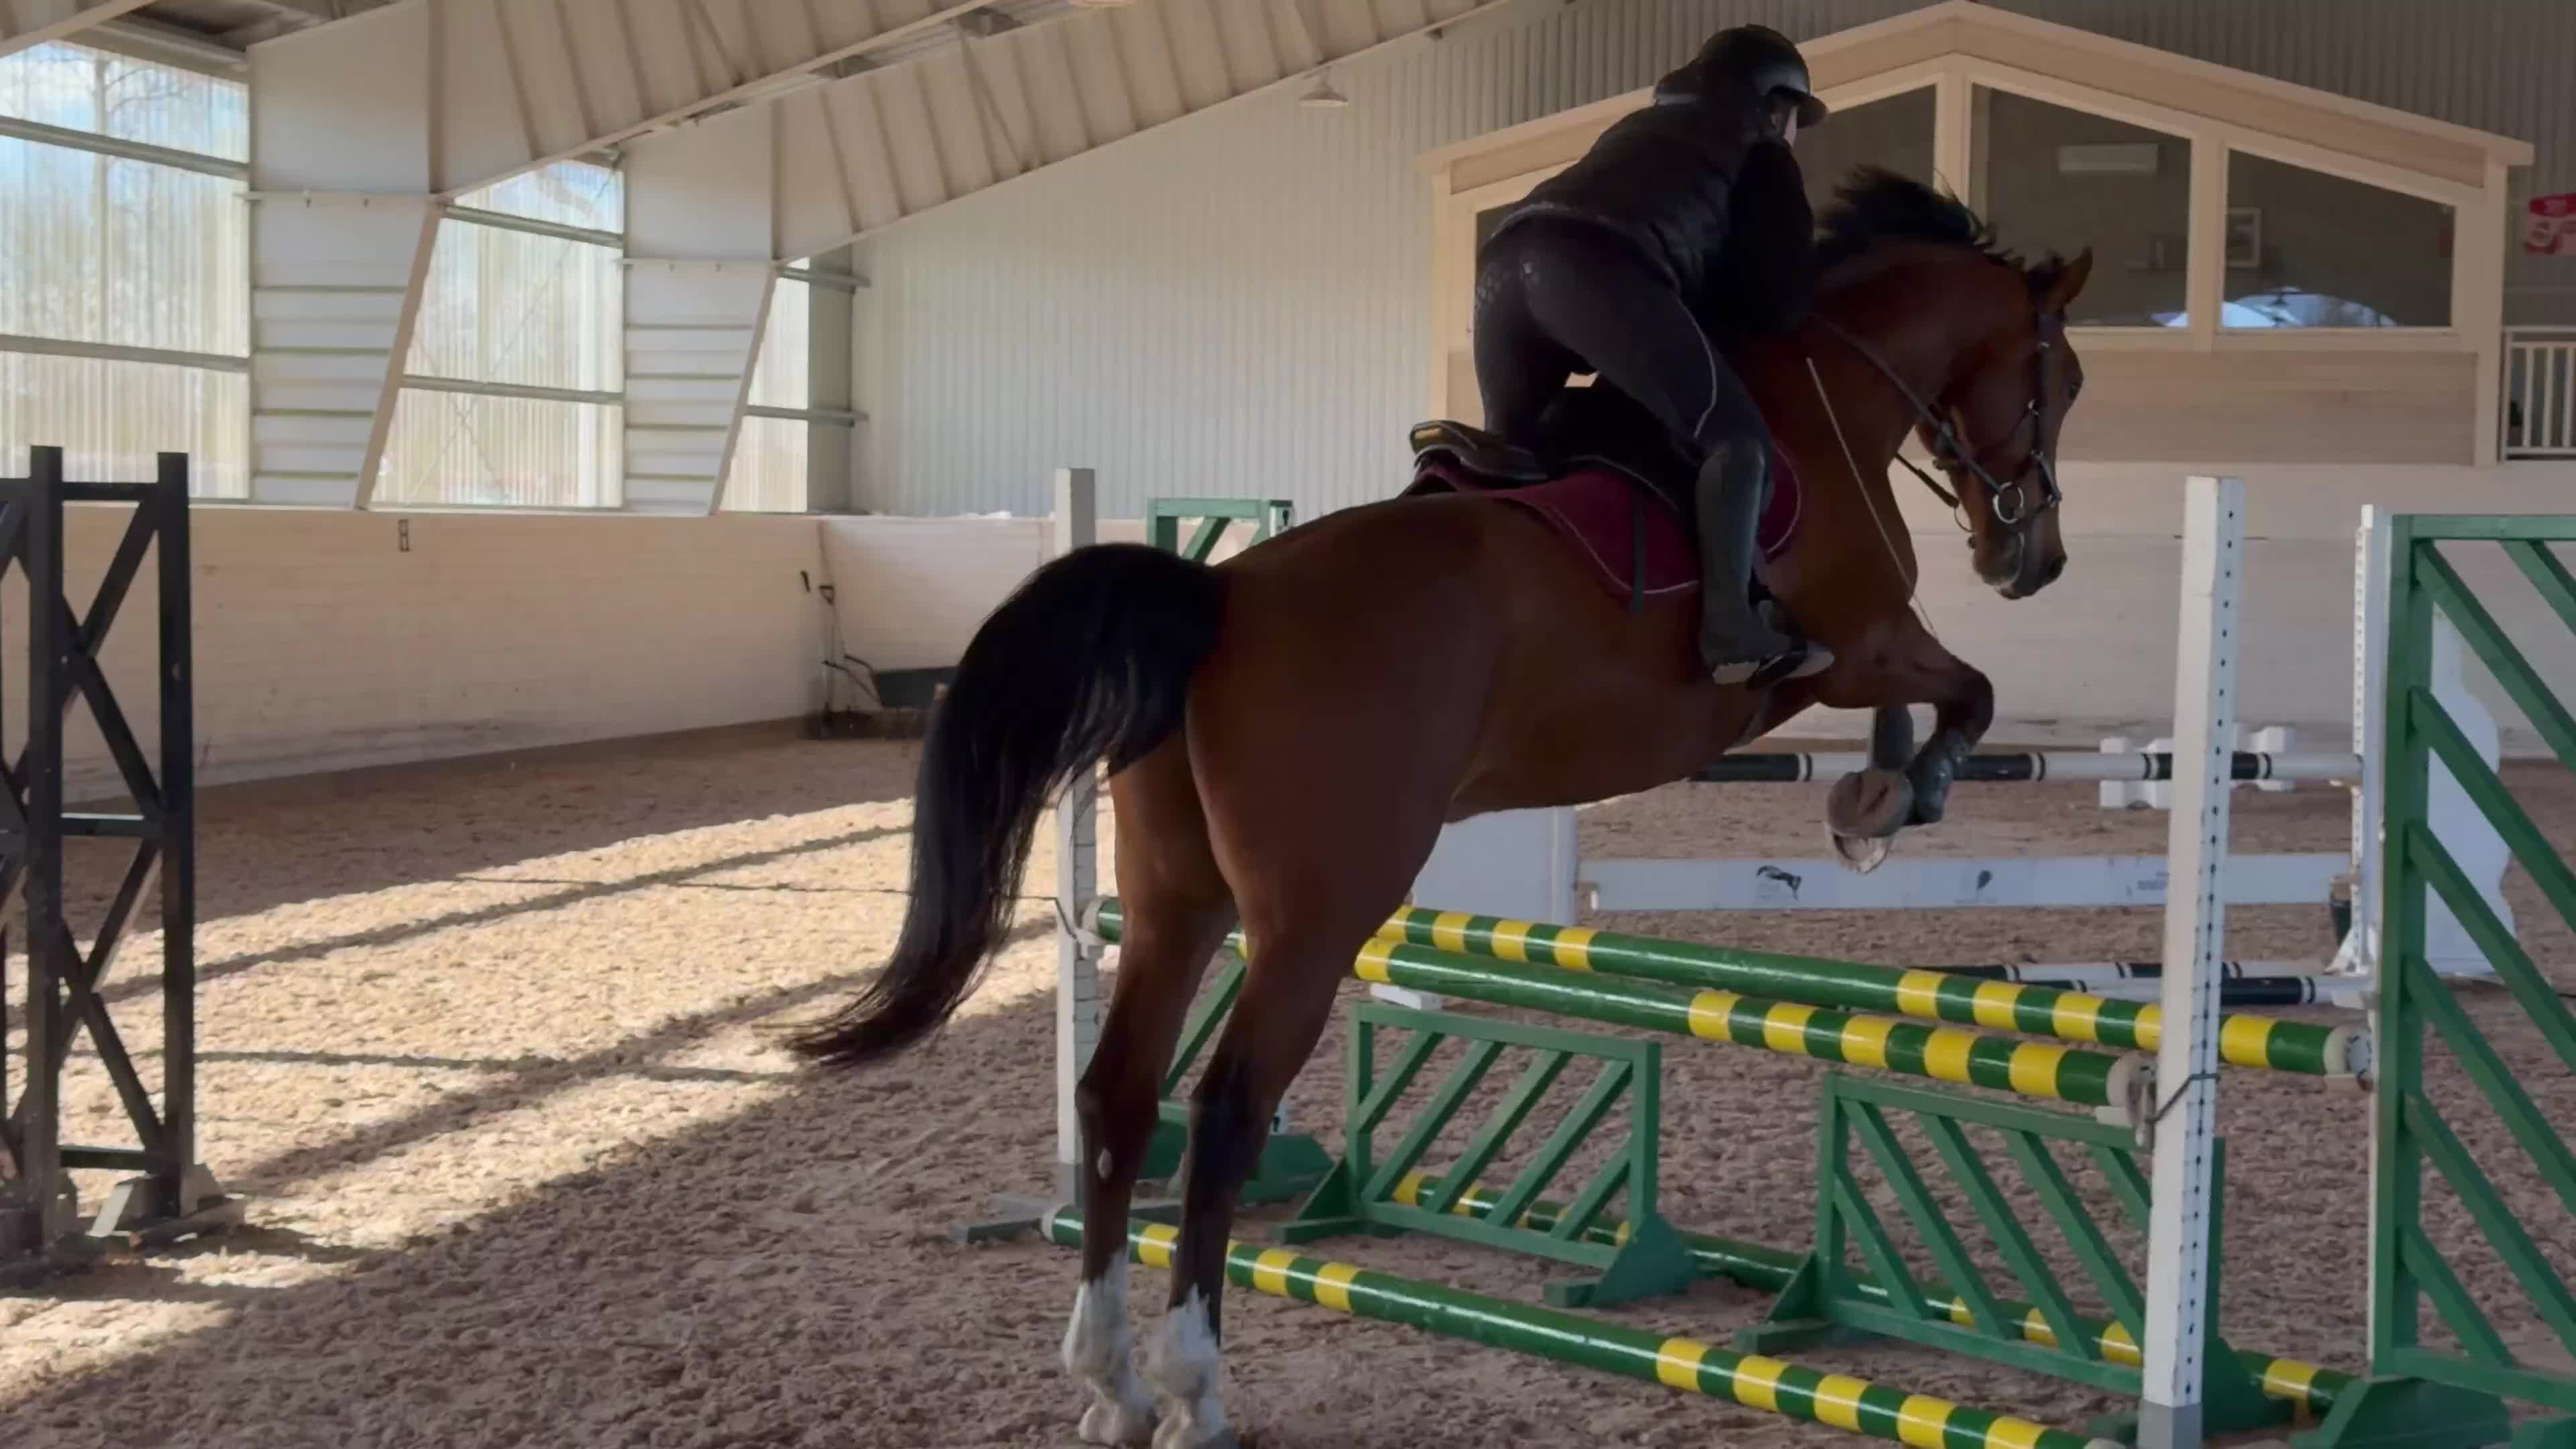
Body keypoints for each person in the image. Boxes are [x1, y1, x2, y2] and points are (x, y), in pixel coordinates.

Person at [1468, 23, 1833, 687]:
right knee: (1737, 443)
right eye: (1794, 118)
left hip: (1501, 267)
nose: (1794, 132)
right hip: (1591, 266)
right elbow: (1778, 301)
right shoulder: (1759, 147)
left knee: (1515, 458)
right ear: (1776, 106)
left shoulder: (1635, 133)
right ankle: (1733, 628)